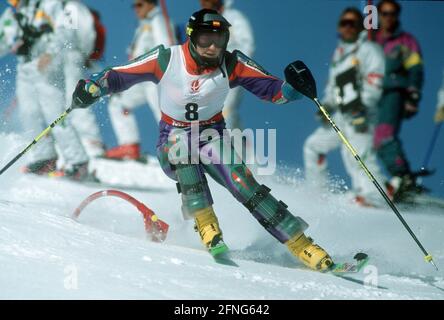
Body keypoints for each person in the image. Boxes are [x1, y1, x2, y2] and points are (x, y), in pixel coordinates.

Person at [71, 9, 333, 271]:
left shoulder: (232, 64)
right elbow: (120, 74)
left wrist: (294, 88)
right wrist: (94, 86)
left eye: (219, 40)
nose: (212, 47)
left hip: (211, 136)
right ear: (191, 37)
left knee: (242, 182)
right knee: (181, 149)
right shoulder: (166, 58)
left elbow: (273, 91)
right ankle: (206, 224)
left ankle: (302, 245)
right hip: (173, 137)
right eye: (205, 39)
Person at [303, 7, 386, 206]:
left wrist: (362, 105)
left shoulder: (368, 49)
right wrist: (327, 106)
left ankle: (374, 198)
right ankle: (317, 194)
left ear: (359, 27)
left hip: (360, 114)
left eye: (352, 23)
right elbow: (332, 87)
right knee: (313, 146)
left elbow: (375, 81)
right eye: (344, 23)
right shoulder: (339, 55)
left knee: (357, 154)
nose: (347, 28)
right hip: (340, 115)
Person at [3, 0, 90, 180]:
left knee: (54, 113)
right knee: (29, 113)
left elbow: (66, 29)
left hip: (47, 66)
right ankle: (45, 157)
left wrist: (50, 52)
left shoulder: (48, 4)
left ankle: (78, 162)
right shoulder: (10, 16)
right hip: (24, 67)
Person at [105, 0, 176, 160]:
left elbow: (165, 46)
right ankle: (130, 145)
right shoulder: (145, 24)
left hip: (156, 77)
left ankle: (176, 148)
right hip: (142, 78)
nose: (136, 9)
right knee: (118, 101)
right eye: (134, 5)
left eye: (140, 5)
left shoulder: (158, 21)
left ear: (151, 4)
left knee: (162, 111)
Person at [373, 0, 424, 200]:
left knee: (383, 134)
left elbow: (415, 68)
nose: (388, 17)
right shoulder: (372, 40)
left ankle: (402, 176)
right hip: (370, 95)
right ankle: (381, 183)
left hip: (393, 91)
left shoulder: (405, 41)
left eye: (392, 13)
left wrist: (413, 95)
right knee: (367, 140)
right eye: (384, 13)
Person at [58, 0, 105, 158]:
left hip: (71, 55)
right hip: (60, 58)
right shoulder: (59, 8)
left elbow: (86, 32)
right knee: (61, 98)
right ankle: (70, 139)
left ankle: (91, 140)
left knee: (76, 96)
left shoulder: (72, 6)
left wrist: (83, 52)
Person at [200, 0, 255, 131]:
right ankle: (243, 148)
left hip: (232, 70)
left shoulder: (234, 17)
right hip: (210, 75)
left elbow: (248, 44)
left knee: (224, 109)